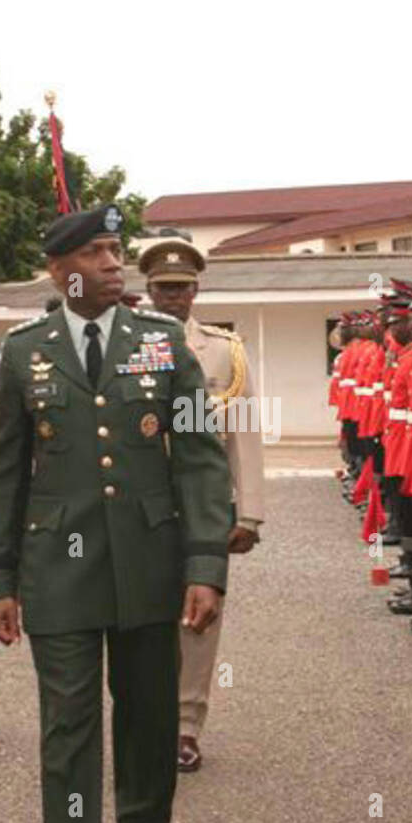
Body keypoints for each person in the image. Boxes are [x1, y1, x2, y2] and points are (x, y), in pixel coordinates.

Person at [0, 204, 232, 823]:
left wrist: (206, 563)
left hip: (150, 561)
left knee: (149, 720)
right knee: (68, 724)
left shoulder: (161, 339)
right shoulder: (22, 352)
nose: (112, 263)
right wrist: (0, 579)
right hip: (56, 572)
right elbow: (4, 473)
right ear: (58, 270)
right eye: (94, 253)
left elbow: (201, 458)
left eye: (116, 249)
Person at [139, 238, 265, 773]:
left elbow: (244, 433)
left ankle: (186, 726)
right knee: (143, 615)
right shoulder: (128, 343)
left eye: (182, 287)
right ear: (148, 290)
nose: (173, 298)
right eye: (163, 288)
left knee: (199, 616)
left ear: (197, 289)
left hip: (204, 504)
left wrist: (249, 511)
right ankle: (146, 721)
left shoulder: (223, 350)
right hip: (140, 503)